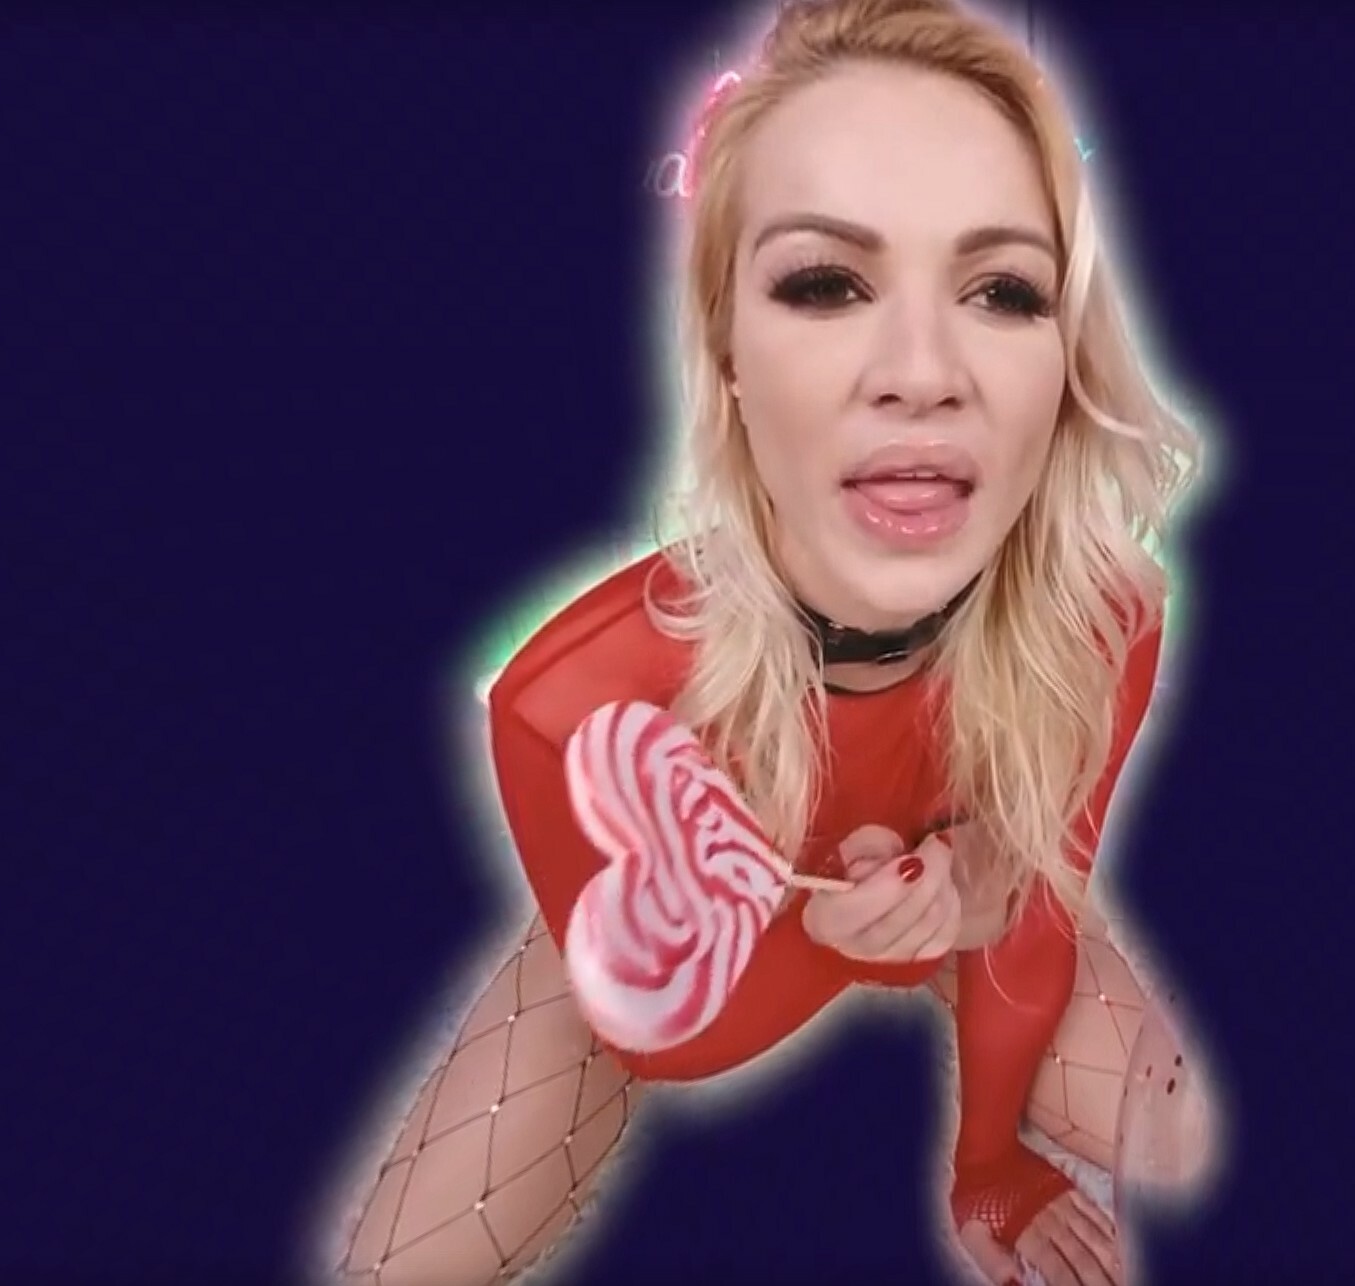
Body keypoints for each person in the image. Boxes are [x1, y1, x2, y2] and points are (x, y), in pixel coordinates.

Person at [322, 1, 1217, 1281]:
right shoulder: (571, 706)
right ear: (726, 350)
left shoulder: (1102, 621)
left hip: (961, 865)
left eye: (1002, 290)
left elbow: (1037, 902)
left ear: (1063, 361)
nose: (923, 372)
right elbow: (677, 1036)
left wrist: (986, 1140)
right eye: (826, 283)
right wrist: (845, 930)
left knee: (1178, 1128)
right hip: (686, 955)